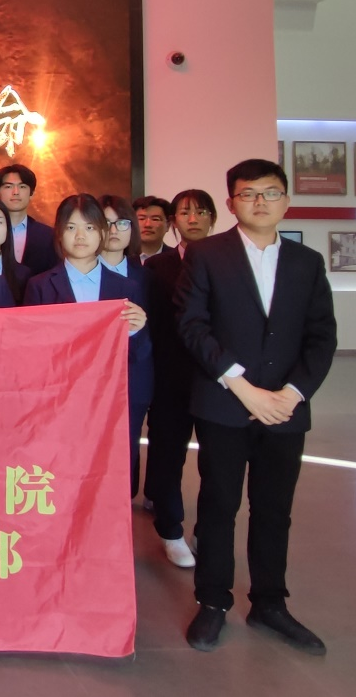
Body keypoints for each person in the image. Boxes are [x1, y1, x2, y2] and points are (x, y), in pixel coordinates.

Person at [178, 159, 336, 656]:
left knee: (274, 509)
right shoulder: (206, 255)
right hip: (225, 404)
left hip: (285, 411)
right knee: (218, 504)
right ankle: (213, 601)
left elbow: (321, 336)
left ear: (286, 200)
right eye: (248, 194)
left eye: (270, 193)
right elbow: (192, 325)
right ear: (231, 204)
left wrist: (292, 394)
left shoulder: (307, 262)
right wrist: (242, 387)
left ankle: (270, 603)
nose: (260, 202)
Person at [24, 194, 152, 502]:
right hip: (58, 400)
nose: (80, 236)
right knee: (59, 474)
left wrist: (137, 330)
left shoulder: (126, 287)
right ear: (59, 233)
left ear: (103, 232)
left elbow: (141, 355)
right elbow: (29, 351)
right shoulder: (39, 285)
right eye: (71, 227)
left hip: (110, 402)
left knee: (109, 478)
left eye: (90, 228)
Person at [141, 188, 218, 569]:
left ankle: (207, 531)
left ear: (213, 219)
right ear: (174, 222)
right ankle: (171, 530)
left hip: (217, 379)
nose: (193, 219)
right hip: (170, 377)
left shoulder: (227, 262)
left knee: (217, 463)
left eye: (201, 212)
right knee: (167, 456)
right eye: (185, 213)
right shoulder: (158, 267)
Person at [98, 194, 156, 500]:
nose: (114, 230)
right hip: (87, 383)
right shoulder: (74, 274)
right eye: (105, 223)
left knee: (126, 448)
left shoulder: (149, 278)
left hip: (134, 377)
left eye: (121, 223)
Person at [0, 163, 57, 275]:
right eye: (8, 187)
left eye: (22, 187)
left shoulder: (48, 235)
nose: (16, 192)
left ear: (32, 193)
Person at [133, 195, 175, 261]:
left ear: (168, 225)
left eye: (155, 219)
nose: (147, 225)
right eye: (141, 218)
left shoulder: (178, 258)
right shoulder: (121, 257)